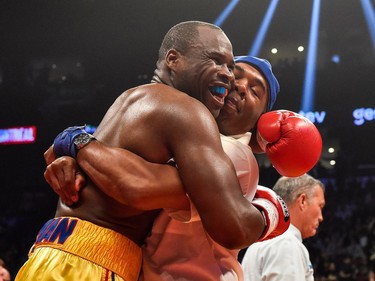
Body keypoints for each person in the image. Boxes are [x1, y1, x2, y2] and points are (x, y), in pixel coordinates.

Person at [16, 21, 289, 281]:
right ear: (173, 59)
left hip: (54, 250)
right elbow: (234, 226)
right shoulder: (187, 112)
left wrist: (73, 141)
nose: (231, 80)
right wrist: (270, 211)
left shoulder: (133, 96)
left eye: (254, 90)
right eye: (218, 62)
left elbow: (130, 176)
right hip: (93, 261)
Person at [241, 174, 326, 281]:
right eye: (320, 206)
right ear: (302, 201)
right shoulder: (286, 243)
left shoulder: (263, 241)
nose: (321, 217)